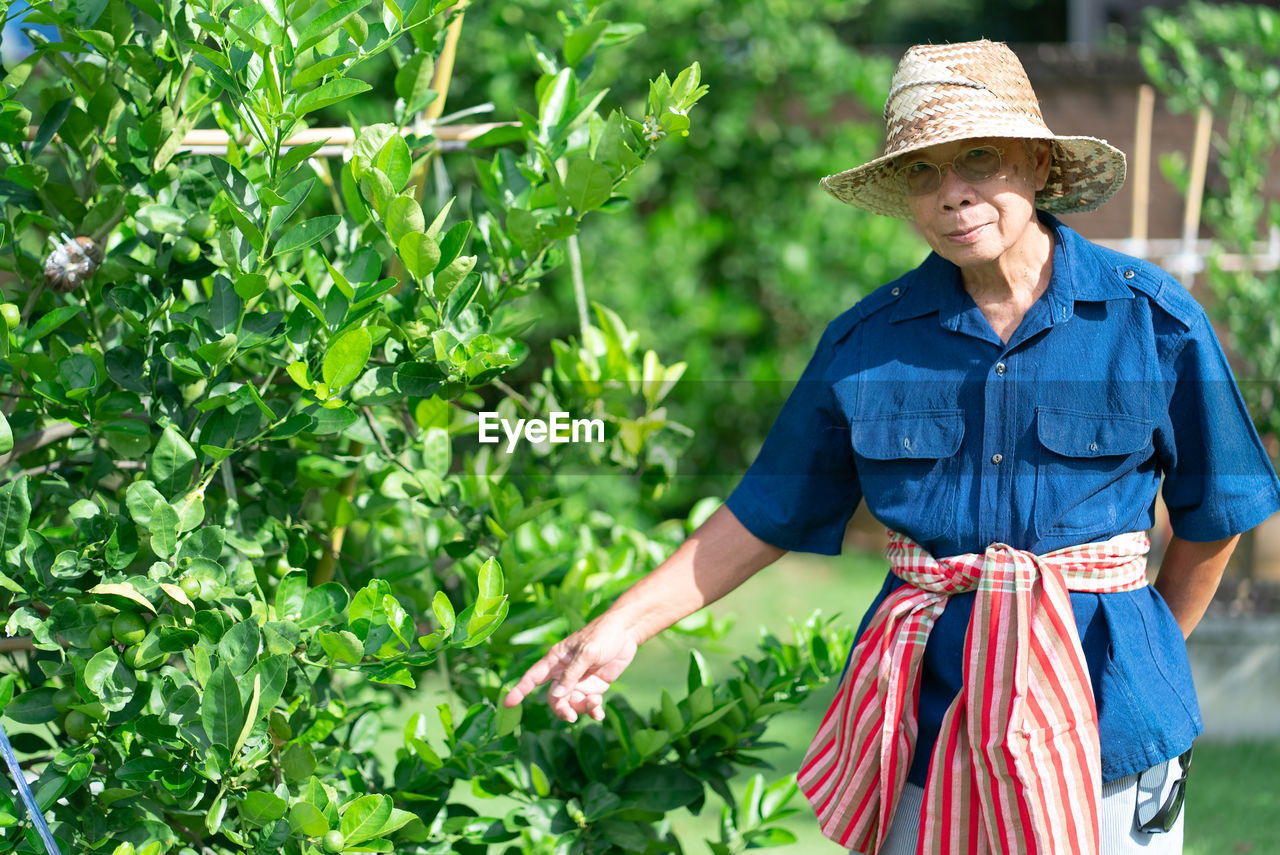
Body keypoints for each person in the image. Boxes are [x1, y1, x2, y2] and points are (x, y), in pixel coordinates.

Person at [503, 39, 1280, 854]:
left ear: (1037, 165)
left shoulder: (1151, 320)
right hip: (925, 729)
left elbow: (1215, 513)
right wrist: (622, 625)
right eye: (924, 171)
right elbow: (768, 510)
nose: (954, 193)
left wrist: (1144, 644)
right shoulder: (868, 344)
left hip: (1107, 733)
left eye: (979, 158)